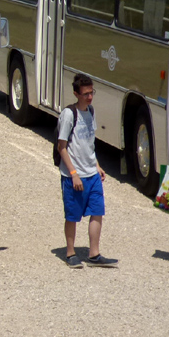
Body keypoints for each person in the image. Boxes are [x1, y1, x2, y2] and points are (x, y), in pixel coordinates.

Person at [57, 73, 116, 268]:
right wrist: (73, 174)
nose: (89, 97)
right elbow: (62, 147)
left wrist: (97, 166)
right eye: (85, 94)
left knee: (97, 212)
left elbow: (89, 143)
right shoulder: (68, 115)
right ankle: (70, 253)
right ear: (76, 93)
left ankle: (94, 254)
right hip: (74, 176)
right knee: (72, 216)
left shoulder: (91, 111)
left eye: (91, 93)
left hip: (92, 174)